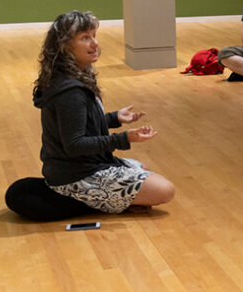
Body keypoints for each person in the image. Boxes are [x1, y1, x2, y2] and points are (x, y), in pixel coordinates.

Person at [34, 11, 175, 213]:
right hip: (74, 175)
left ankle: (105, 199)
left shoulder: (79, 74)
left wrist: (114, 118)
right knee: (165, 190)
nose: (94, 43)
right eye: (85, 38)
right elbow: (74, 145)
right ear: (64, 47)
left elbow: (79, 123)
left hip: (78, 165)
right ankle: (83, 201)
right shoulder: (70, 90)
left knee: (144, 168)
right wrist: (124, 138)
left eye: (94, 36)